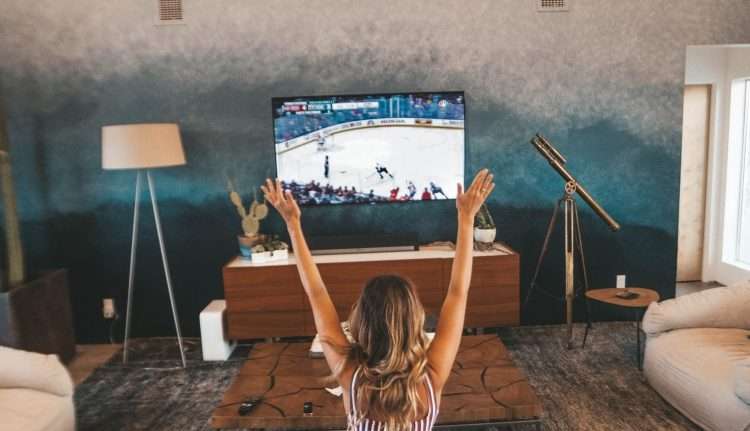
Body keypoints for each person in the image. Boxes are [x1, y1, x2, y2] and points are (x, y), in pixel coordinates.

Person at [261, 169, 495, 431]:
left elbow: (316, 293)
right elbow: (458, 291)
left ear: (362, 323)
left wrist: (292, 224)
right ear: (415, 321)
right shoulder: (432, 378)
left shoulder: (351, 376)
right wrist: (466, 219)